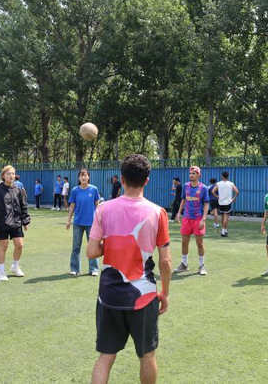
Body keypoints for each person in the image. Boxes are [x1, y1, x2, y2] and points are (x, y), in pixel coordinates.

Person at [87, 154, 172, 384]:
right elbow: (165, 261)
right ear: (147, 180)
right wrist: (165, 293)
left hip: (109, 295)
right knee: (147, 355)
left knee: (106, 357)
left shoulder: (104, 209)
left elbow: (92, 252)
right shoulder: (158, 212)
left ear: (122, 179)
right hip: (144, 296)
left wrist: (114, 243)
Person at [0, 165, 31, 281]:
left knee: (19, 245)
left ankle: (15, 266)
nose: (11, 176)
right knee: (4, 246)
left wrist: (25, 221)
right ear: (3, 176)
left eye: (13, 173)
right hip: (2, 223)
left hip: (16, 222)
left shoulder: (19, 189)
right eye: (8, 174)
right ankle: (1, 272)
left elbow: (23, 205)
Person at [174, 166, 209, 275]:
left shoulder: (203, 188)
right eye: (190, 173)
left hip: (198, 219)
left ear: (198, 175)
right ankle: (184, 264)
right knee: (184, 242)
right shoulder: (185, 186)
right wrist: (179, 213)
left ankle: (201, 266)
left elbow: (206, 204)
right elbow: (183, 200)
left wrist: (203, 219)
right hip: (186, 218)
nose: (191, 175)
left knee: (200, 243)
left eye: (193, 173)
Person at [66, 168, 100, 276]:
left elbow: (97, 206)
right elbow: (72, 206)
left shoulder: (94, 189)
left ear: (88, 177)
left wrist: (100, 220)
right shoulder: (75, 190)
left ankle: (94, 269)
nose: (84, 177)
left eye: (85, 175)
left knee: (93, 246)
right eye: (81, 175)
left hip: (92, 223)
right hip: (78, 223)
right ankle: (75, 269)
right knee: (76, 247)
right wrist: (68, 220)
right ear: (79, 178)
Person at [212, 171, 239, 237]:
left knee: (222, 217)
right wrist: (234, 198)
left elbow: (212, 191)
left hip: (220, 202)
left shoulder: (218, 183)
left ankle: (224, 230)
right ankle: (223, 231)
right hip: (228, 202)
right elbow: (237, 192)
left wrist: (217, 196)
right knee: (226, 217)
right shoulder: (231, 184)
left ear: (222, 176)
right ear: (228, 176)